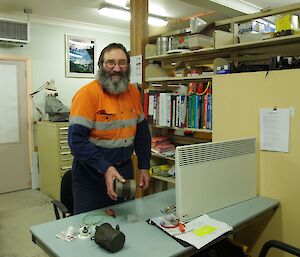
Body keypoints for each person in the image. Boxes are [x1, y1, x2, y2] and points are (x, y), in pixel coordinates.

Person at [68, 43, 151, 214]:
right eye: (110, 63)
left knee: (126, 219)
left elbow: (142, 134)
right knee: (90, 226)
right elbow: (76, 141)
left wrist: (144, 165)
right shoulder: (87, 94)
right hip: (91, 176)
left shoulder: (133, 92)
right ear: (101, 65)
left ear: (128, 66)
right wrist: (105, 167)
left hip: (124, 172)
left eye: (122, 63)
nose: (116, 68)